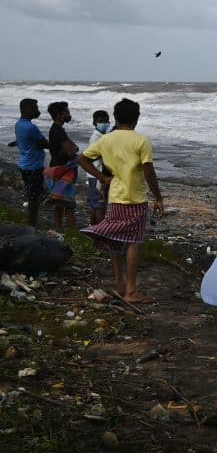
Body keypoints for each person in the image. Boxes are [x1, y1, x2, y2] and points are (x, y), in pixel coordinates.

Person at [78, 98, 164, 304]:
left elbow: (82, 159)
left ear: (115, 118)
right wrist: (158, 197)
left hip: (115, 197)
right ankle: (131, 291)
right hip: (135, 198)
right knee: (134, 241)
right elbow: (149, 172)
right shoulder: (141, 140)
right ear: (137, 118)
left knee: (115, 239)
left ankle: (119, 283)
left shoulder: (106, 139)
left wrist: (102, 178)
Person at [13, 98, 49, 227]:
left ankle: (31, 222)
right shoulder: (31, 127)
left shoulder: (19, 124)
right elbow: (46, 144)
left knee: (33, 194)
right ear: (28, 109)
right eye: (35, 108)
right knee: (35, 198)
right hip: (33, 166)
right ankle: (31, 225)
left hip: (25, 164)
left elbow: (23, 140)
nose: (38, 111)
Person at [44, 101, 79, 230]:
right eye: (66, 112)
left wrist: (71, 147)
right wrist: (72, 148)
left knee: (58, 202)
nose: (69, 114)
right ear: (59, 115)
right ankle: (72, 232)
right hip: (64, 171)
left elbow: (70, 147)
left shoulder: (55, 129)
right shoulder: (59, 132)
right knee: (69, 204)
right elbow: (71, 151)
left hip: (56, 169)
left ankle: (58, 228)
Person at [85, 110, 112, 224]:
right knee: (100, 206)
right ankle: (99, 230)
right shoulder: (96, 138)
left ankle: (93, 228)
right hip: (97, 175)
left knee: (95, 206)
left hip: (95, 175)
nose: (104, 124)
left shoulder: (102, 136)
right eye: (101, 121)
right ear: (94, 122)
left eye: (106, 121)